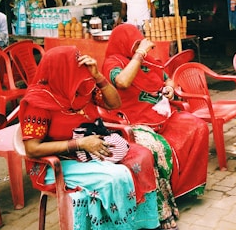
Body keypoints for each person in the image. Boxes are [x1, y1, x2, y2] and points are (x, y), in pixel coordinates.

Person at [19, 46, 160, 229]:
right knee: (116, 176)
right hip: (60, 163)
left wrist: (98, 76)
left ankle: (143, 222)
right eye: (76, 67)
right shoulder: (38, 102)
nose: (82, 72)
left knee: (144, 155)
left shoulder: (82, 89)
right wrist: (79, 144)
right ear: (62, 71)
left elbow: (115, 103)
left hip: (91, 150)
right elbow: (32, 149)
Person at [102, 24, 210, 229]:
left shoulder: (148, 60)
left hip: (159, 113)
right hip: (130, 121)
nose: (138, 48)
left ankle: (183, 190)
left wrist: (169, 87)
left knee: (198, 126)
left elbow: (166, 77)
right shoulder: (112, 62)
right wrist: (140, 54)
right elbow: (122, 82)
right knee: (155, 150)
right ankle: (161, 210)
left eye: (139, 43)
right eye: (133, 45)